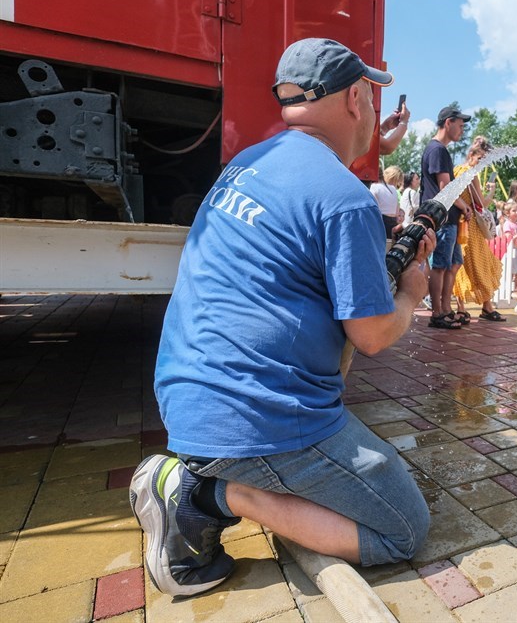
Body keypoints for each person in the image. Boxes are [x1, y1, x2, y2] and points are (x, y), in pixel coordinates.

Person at [129, 38, 435, 597]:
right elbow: (369, 336)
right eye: (367, 95)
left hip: (186, 399)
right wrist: (412, 293)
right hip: (255, 421)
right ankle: (200, 496)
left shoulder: (247, 165)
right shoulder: (344, 200)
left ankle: (208, 475)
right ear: (355, 97)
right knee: (402, 528)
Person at [421, 106, 474, 330]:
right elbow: (445, 187)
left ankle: (446, 308)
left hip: (449, 218)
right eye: (460, 126)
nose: (462, 131)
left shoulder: (440, 150)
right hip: (441, 217)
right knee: (441, 266)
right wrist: (464, 206)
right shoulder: (437, 150)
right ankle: (437, 312)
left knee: (452, 264)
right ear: (448, 122)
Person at [453, 136, 506, 322]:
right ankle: (487, 306)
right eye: (480, 159)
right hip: (472, 226)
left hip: (458, 222)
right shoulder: (471, 173)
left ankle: (461, 307)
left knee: (460, 265)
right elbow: (481, 203)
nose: (482, 163)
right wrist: (491, 190)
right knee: (480, 263)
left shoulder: (456, 170)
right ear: (471, 155)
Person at [370, 165, 402, 248]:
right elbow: (396, 211)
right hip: (393, 225)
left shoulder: (374, 188)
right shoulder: (393, 189)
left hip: (381, 225)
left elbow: (374, 210)